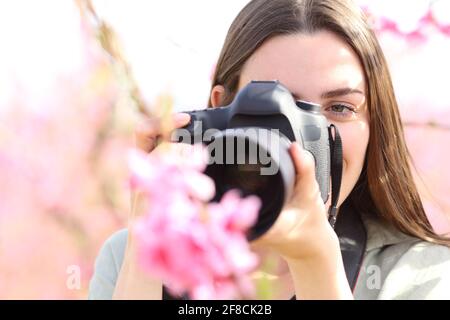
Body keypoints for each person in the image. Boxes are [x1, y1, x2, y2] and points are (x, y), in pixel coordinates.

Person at [88, 0, 450, 300]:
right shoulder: (130, 255)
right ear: (221, 111)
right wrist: (147, 252)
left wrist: (315, 261)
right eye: (278, 107)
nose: (305, 136)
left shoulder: (419, 275)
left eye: (340, 108)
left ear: (374, 125)